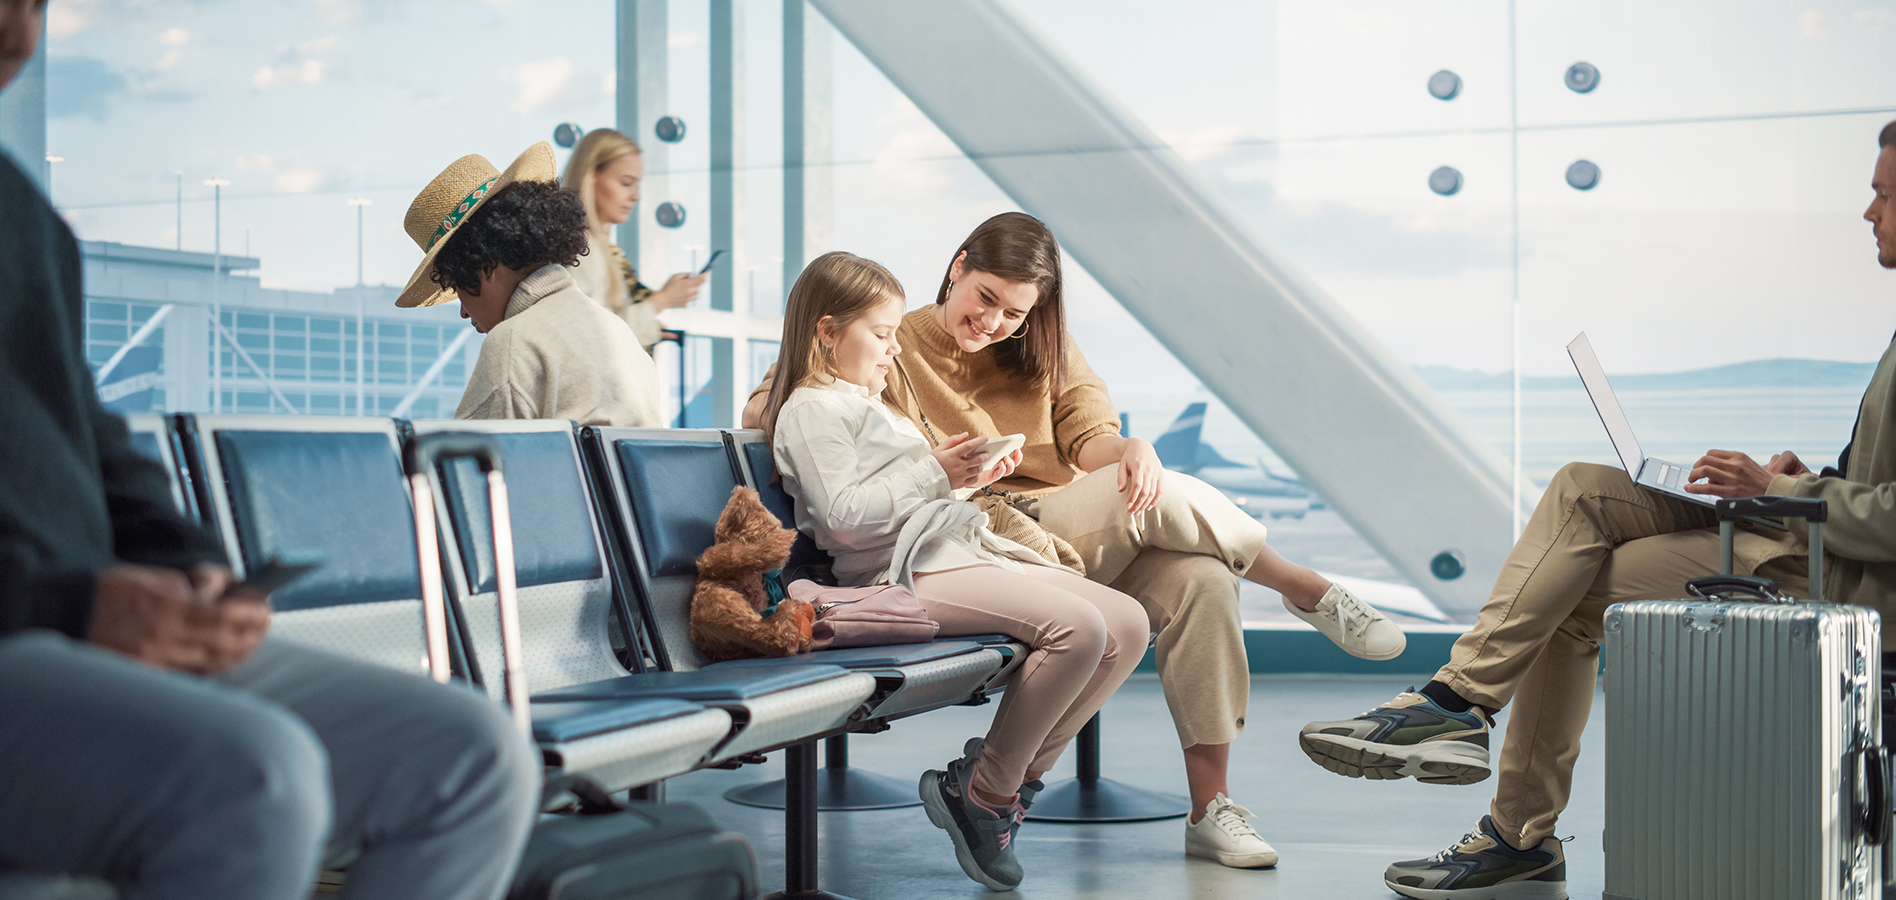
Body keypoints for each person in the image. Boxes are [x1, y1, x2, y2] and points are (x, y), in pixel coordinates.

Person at [0, 2, 541, 897]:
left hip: (75, 619)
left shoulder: (18, 216)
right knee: (251, 780)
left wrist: (191, 565)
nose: (21, 40)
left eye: (36, 6)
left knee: (476, 759)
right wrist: (68, 600)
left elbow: (87, 438)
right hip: (12, 623)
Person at [1297, 120, 1896, 900]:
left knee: (1572, 588)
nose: (1867, 212)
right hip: (1814, 540)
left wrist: (1780, 493)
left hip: (1851, 588)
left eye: (1883, 194)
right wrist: (1796, 477)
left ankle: (1491, 784)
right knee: (1584, 488)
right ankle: (1461, 716)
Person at [746, 212, 1407, 866]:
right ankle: (1303, 587)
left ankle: (1208, 809)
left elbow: (1091, 438)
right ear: (958, 267)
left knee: (1201, 577)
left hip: (1024, 532)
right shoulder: (893, 341)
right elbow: (799, 394)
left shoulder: (1044, 345)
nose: (994, 322)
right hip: (994, 527)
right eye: (985, 299)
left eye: (1014, 313)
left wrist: (1132, 447)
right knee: (1140, 505)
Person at [767, 251, 1151, 892]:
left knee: (1127, 624)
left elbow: (905, 491)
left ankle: (1002, 783)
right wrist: (936, 472)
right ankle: (988, 794)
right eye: (882, 335)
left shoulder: (872, 407)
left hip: (953, 551)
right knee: (1080, 630)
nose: (894, 351)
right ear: (827, 331)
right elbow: (842, 521)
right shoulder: (813, 410)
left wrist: (965, 475)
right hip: (904, 569)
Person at [397, 142, 664, 427]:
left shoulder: (514, 341)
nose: (463, 311)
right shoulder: (619, 333)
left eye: (456, 285)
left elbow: (468, 465)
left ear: (483, 263)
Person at [558, 127, 707, 349]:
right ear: (590, 178)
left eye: (637, 184)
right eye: (626, 183)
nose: (635, 196)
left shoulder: (598, 247)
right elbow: (593, 337)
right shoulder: (579, 251)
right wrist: (661, 301)